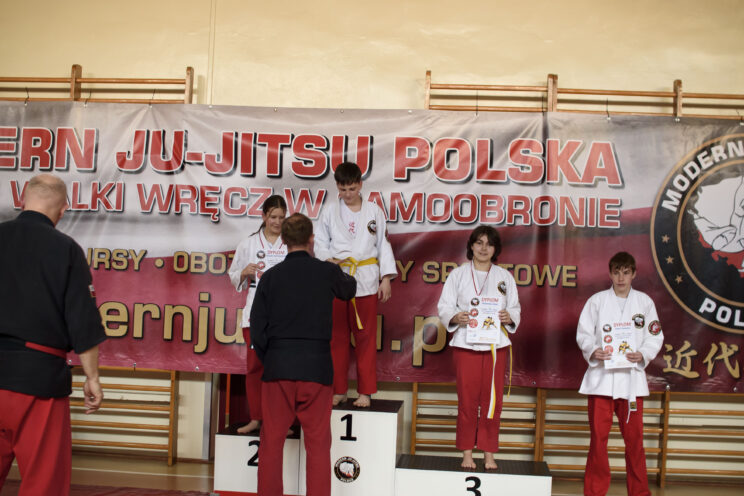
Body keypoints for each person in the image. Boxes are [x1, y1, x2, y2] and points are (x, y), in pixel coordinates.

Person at [0, 173, 106, 496]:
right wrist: (92, 377)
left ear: (22, 200)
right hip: (37, 381)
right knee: (43, 484)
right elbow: (82, 320)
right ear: (63, 210)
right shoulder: (66, 249)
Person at [250, 213, 356, 496]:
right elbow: (350, 289)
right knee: (318, 444)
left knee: (271, 442)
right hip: (316, 368)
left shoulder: (270, 277)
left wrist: (272, 359)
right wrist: (334, 267)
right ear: (312, 239)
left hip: (278, 367)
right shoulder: (326, 272)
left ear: (283, 240)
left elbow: (257, 329)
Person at [576, 251, 664, 496]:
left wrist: (643, 354)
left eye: (626, 272)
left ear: (634, 274)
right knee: (598, 442)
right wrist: (593, 350)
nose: (621, 278)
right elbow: (583, 333)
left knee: (635, 442)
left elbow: (655, 335)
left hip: (631, 382)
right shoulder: (596, 301)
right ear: (610, 274)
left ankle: (639, 492)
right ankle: (595, 492)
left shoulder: (644, 302)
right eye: (617, 272)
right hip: (601, 382)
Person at [313, 161, 397, 408]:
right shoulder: (329, 211)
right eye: (343, 189)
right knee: (336, 339)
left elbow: (383, 244)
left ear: (360, 184)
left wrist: (386, 278)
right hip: (337, 280)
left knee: (366, 339)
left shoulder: (374, 211)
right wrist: (327, 259)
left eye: (352, 188)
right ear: (336, 186)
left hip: (366, 280)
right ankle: (338, 390)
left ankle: (366, 392)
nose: (348, 194)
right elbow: (320, 242)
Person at [437, 225, 520, 470]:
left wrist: (509, 316)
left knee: (493, 402)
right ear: (471, 246)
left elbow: (515, 307)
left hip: (495, 347)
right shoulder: (458, 275)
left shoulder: (504, 277)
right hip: (466, 345)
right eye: (479, 243)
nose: (484, 248)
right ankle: (466, 453)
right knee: (467, 402)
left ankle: (489, 453)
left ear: (496, 249)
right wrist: (456, 317)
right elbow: (444, 306)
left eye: (489, 244)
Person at [227, 195, 288, 434]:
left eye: (281, 217)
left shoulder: (291, 243)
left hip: (284, 315)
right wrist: (244, 272)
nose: (277, 222)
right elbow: (233, 275)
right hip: (255, 313)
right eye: (273, 217)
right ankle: (256, 417)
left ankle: (280, 421)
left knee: (282, 370)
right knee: (254, 368)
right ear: (263, 216)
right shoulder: (248, 244)